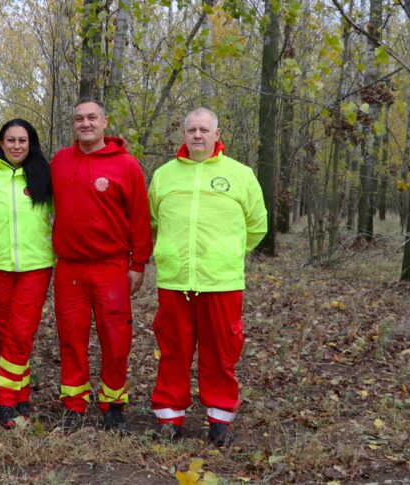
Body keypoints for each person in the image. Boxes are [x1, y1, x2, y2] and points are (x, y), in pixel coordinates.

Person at [148, 107, 267, 446]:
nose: (197, 135)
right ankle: (169, 420)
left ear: (217, 134)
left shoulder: (240, 175)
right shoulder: (164, 175)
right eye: (191, 129)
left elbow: (257, 226)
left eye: (204, 129)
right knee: (173, 351)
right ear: (183, 134)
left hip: (222, 282)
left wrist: (225, 252)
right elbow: (154, 220)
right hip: (174, 281)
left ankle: (219, 420)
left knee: (220, 353)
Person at [51, 97, 152, 432]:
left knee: (115, 337)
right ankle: (74, 404)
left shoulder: (126, 165)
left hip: (111, 265)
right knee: (71, 337)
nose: (85, 124)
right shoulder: (61, 161)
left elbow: (140, 219)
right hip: (69, 267)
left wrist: (138, 264)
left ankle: (113, 404)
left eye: (92, 118)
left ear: (105, 122)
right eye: (79, 118)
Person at [0, 119, 54, 429]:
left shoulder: (44, 175)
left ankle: (4, 401)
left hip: (35, 267)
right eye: (11, 140)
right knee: (7, 335)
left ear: (31, 142)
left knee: (21, 333)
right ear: (1, 142)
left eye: (23, 140)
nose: (17, 145)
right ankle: (21, 392)